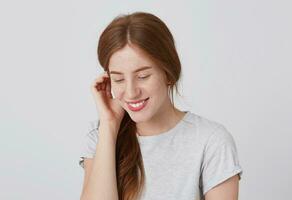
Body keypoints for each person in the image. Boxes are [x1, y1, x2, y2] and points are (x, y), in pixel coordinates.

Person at [79, 11, 243, 200]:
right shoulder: (99, 136)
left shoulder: (211, 141)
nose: (131, 92)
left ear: (168, 73)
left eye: (143, 76)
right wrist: (109, 124)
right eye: (119, 79)